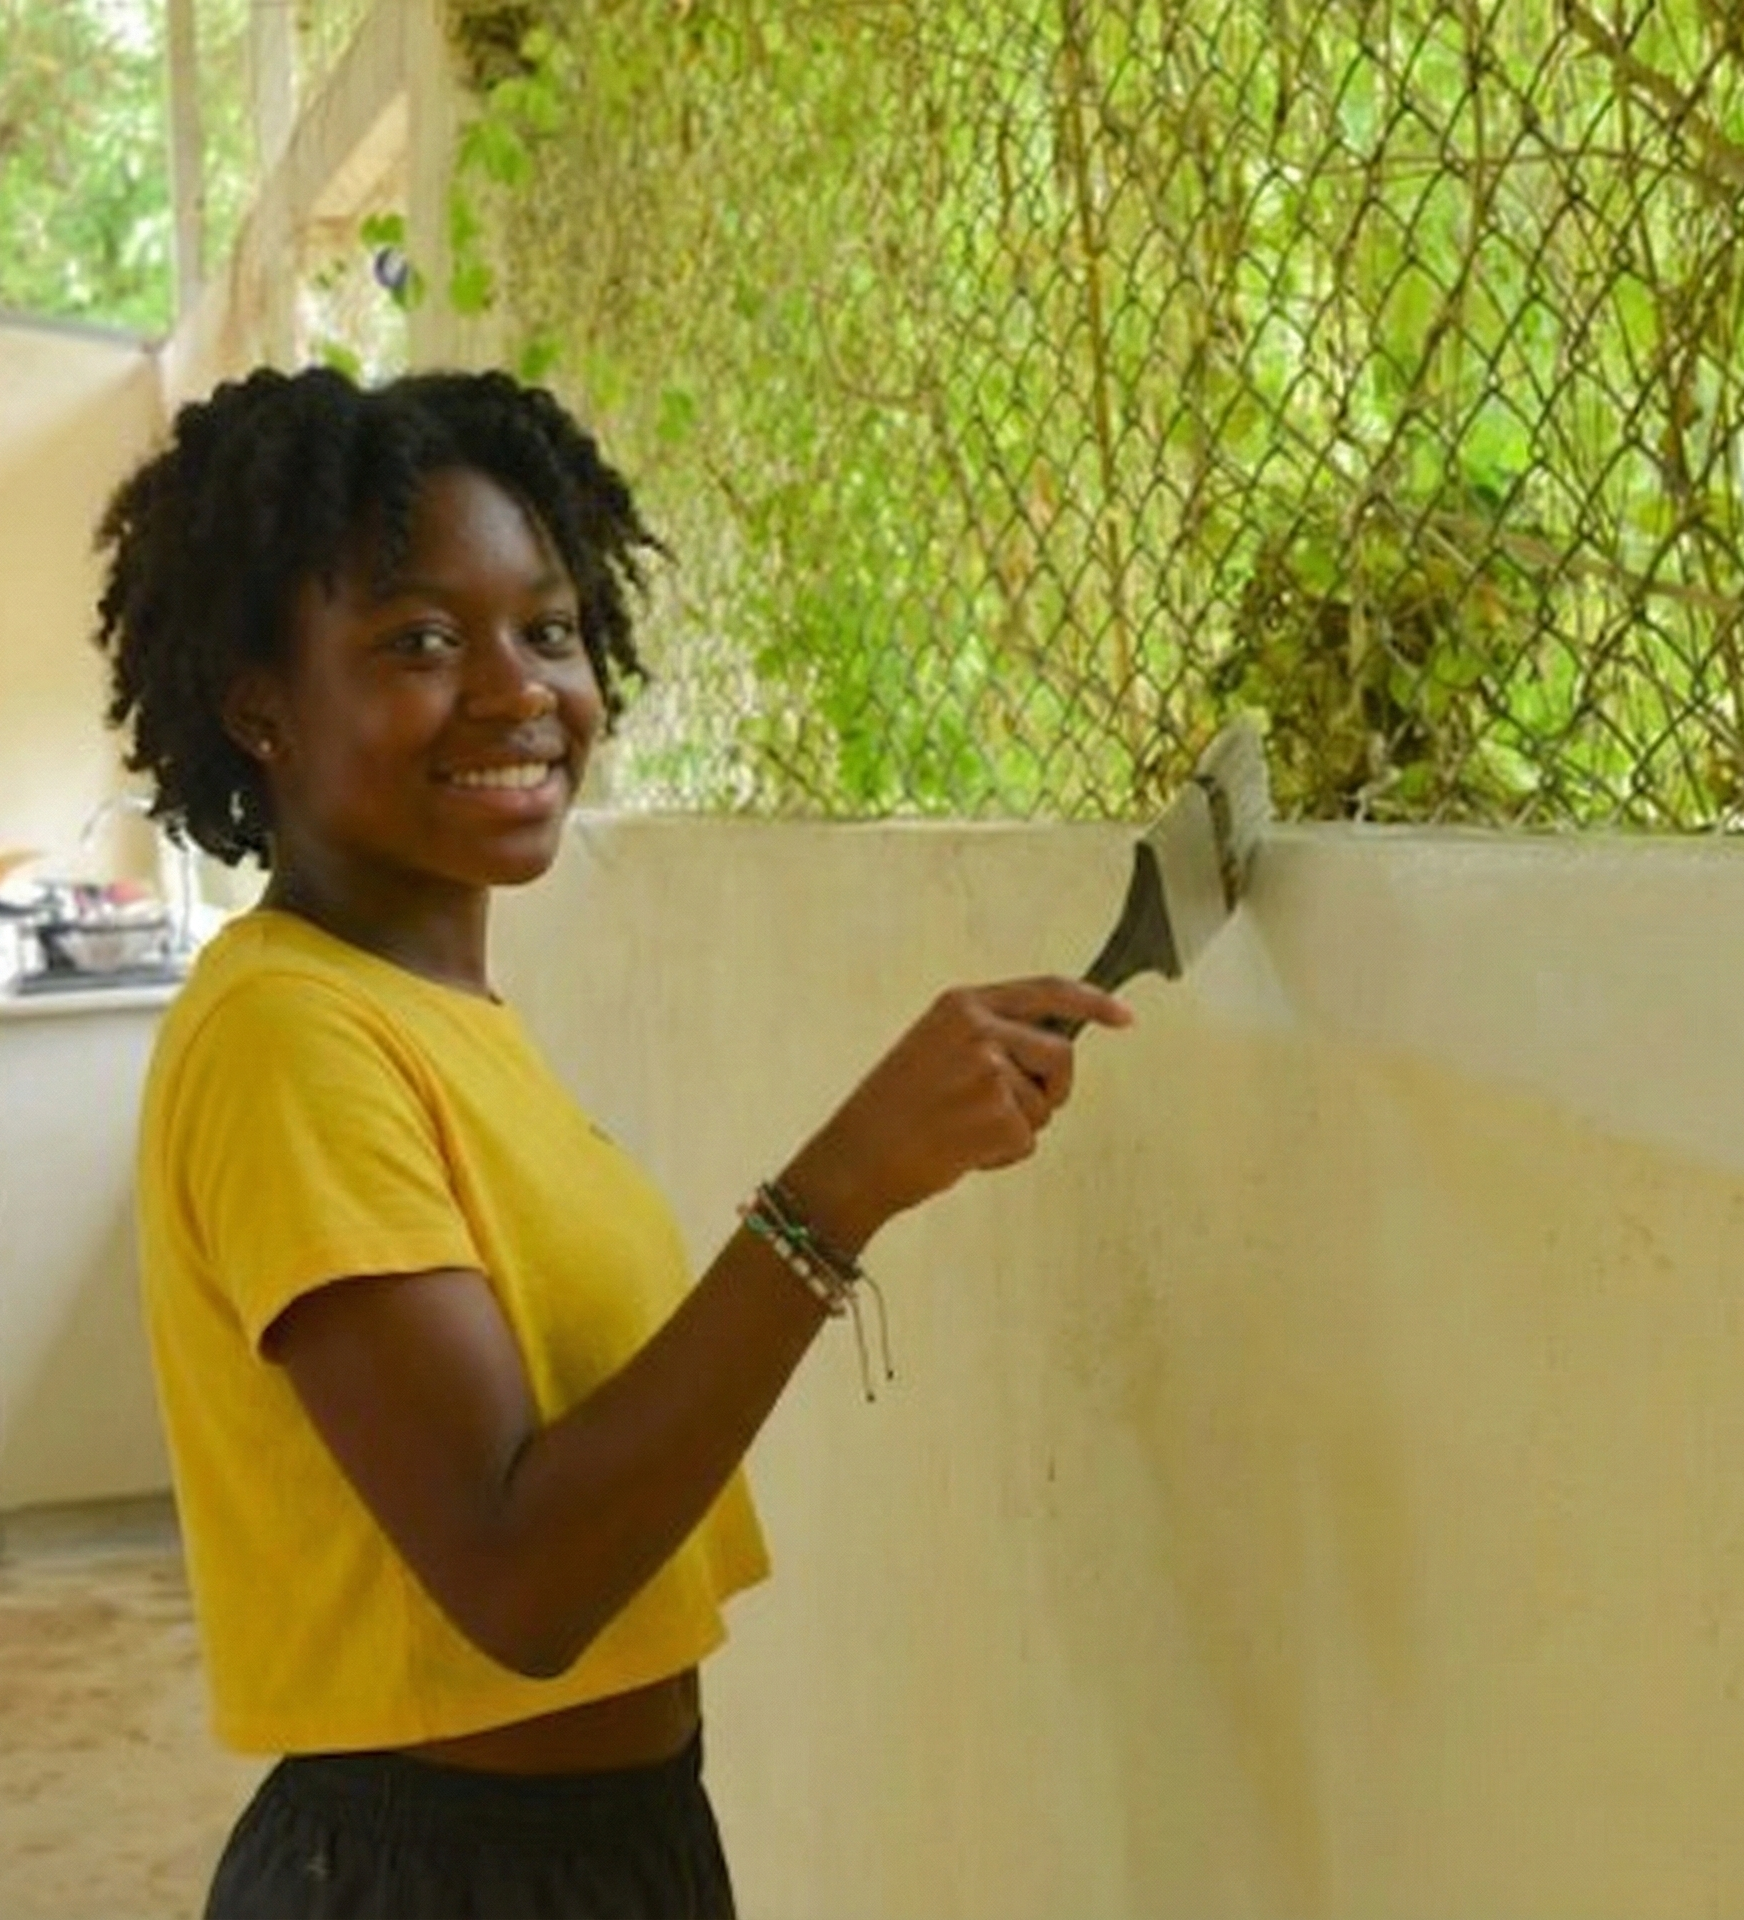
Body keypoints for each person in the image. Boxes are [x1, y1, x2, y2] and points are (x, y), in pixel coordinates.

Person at [92, 364, 1130, 1920]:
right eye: (420, 641)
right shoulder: (287, 1040)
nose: (518, 691)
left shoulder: (430, 1015)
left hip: (605, 1846)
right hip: (435, 1877)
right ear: (260, 707)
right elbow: (520, 1575)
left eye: (550, 629)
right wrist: (840, 1188)